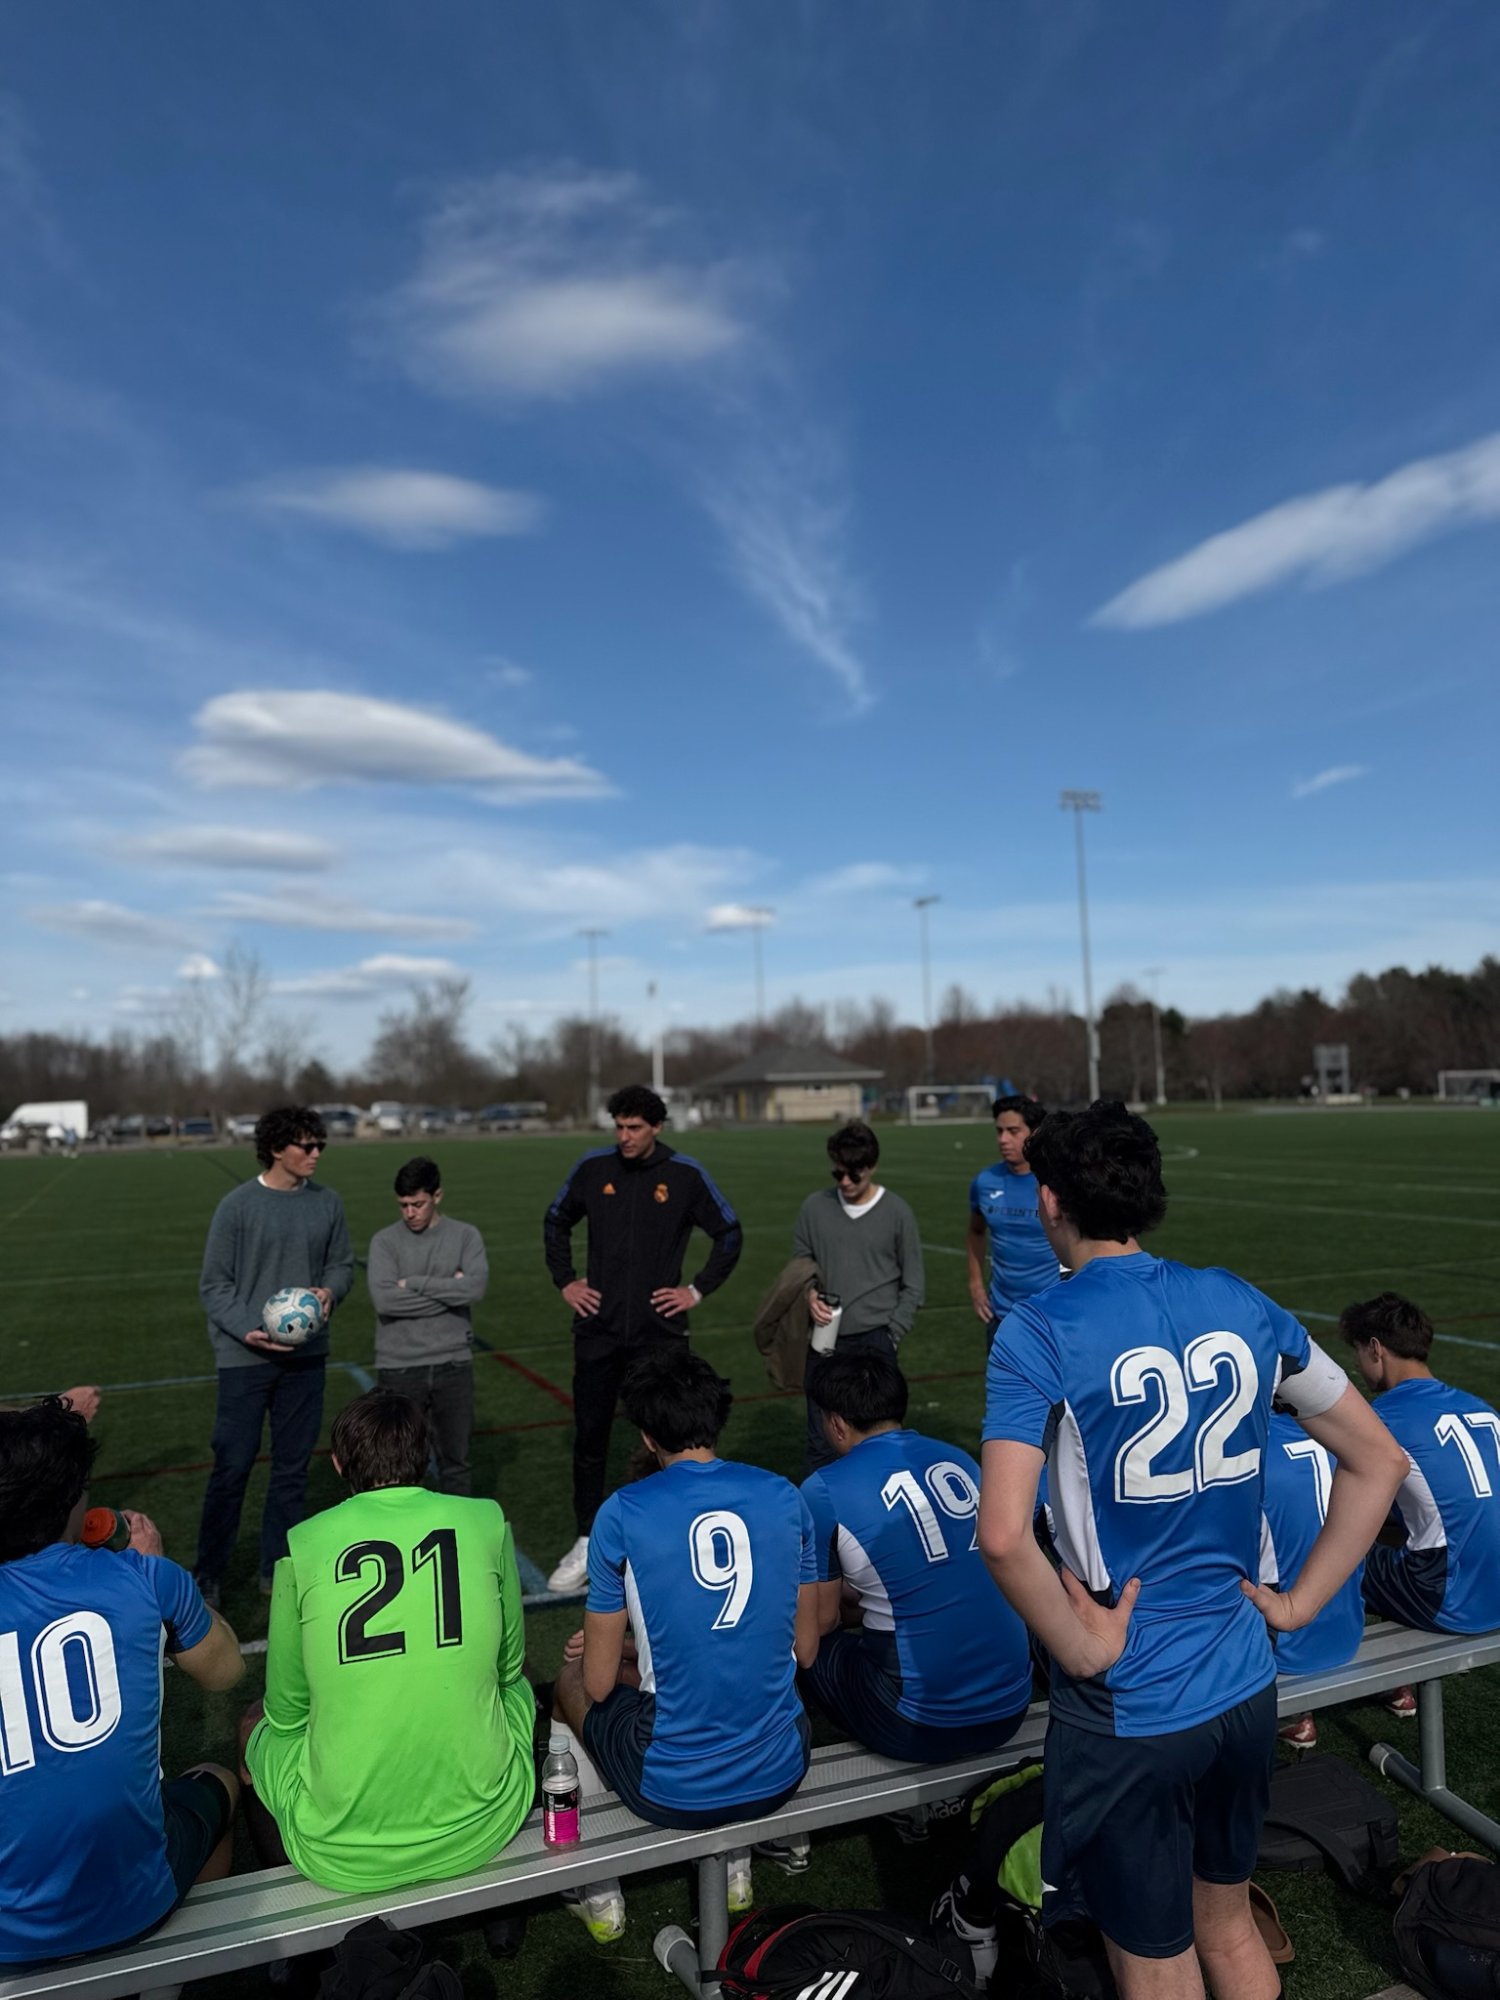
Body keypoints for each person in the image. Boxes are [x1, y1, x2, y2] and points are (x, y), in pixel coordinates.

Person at [978, 1101, 1406, 2000]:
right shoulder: (1242, 1299)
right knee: (1226, 1922)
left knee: (1154, 1955)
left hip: (1133, 1702)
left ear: (1048, 1199)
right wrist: (1297, 1603)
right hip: (1246, 1686)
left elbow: (1004, 1533)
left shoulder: (1037, 1328)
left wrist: (1081, 1645)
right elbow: (1379, 1461)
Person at [553, 1346, 819, 1936]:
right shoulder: (783, 1494)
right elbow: (806, 1650)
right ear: (716, 1418)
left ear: (648, 1438)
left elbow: (597, 1684)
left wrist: (620, 1655)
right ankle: (740, 1868)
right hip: (782, 1766)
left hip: (673, 1783)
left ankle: (594, 1884)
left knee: (572, 1683)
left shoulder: (622, 1512)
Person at [243, 1388, 537, 1892]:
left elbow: (287, 1712)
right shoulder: (485, 1520)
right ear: (424, 1456)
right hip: (485, 1824)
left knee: (254, 1724)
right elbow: (509, 1668)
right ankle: (504, 1917)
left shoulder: (304, 1544)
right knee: (516, 1688)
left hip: (342, 1850)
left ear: (338, 1465)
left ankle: (286, 1939)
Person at [0, 1397, 245, 1965]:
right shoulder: (144, 1576)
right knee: (216, 1782)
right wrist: (160, 1573)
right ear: (75, 1499)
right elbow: (224, 1671)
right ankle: (170, 1978)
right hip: (133, 1902)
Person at [542, 1083, 743, 1593]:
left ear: (656, 1127)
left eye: (634, 1127)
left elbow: (729, 1233)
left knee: (669, 1437)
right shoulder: (594, 1168)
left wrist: (695, 1291)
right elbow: (555, 1220)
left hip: (661, 1336)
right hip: (598, 1332)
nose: (624, 1136)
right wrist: (566, 1280)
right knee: (591, 1439)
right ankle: (587, 1540)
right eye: (619, 1126)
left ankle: (668, 1539)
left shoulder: (684, 1175)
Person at [801, 1347, 1033, 1767]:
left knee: (805, 1645)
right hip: (1011, 1705)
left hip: (919, 1722)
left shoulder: (822, 1489)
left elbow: (821, 1622)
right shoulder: (959, 1459)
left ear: (836, 1424)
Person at [195, 1105, 354, 1606]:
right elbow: (213, 1284)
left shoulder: (327, 1203)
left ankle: (277, 1568)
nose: (315, 1154)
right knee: (233, 1467)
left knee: (291, 1471)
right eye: (306, 1146)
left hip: (305, 1360)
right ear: (276, 1149)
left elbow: (342, 1264)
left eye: (319, 1145)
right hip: (245, 1359)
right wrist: (248, 1329)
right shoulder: (237, 1206)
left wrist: (329, 1292)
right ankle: (209, 1573)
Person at [1343, 1292, 1500, 1635]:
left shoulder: (1380, 1419)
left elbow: (1330, 1500)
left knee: (1327, 1552)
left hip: (1454, 1597)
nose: (1356, 1365)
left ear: (1375, 1348)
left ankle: (1376, 1683)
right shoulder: (1481, 1407)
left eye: (1357, 1352)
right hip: (1491, 1577)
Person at [794, 1119, 924, 1475]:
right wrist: (808, 1296)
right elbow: (800, 1266)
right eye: (839, 1175)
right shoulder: (813, 1208)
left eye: (855, 1175)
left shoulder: (898, 1212)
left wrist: (892, 1334)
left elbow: (914, 1284)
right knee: (821, 1443)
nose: (846, 1183)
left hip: (876, 1343)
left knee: (880, 1446)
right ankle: (823, 1525)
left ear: (873, 1167)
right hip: (825, 1342)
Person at [368, 1156, 489, 1495]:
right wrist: (450, 1289)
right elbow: (386, 1301)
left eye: (417, 1204)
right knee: (397, 1466)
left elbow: (475, 1288)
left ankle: (456, 1539)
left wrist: (414, 1282)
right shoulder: (384, 1242)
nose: (410, 1213)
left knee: (456, 1461)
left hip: (454, 1364)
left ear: (438, 1196)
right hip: (400, 1368)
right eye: (403, 1205)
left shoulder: (466, 1236)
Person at [1261, 1411, 1368, 1751]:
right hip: (1349, 1631)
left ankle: (1292, 1716)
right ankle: (1398, 1686)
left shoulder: (1246, 1446)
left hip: (1287, 1649)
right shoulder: (1342, 1438)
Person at [966, 1094, 1060, 1345]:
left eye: (1013, 1131)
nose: (1003, 1139)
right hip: (1002, 1318)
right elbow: (976, 1232)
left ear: (1035, 1132)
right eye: (999, 1131)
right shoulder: (984, 1182)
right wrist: (975, 1285)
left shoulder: (1057, 1183)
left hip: (1053, 1318)